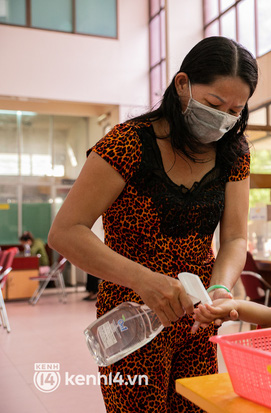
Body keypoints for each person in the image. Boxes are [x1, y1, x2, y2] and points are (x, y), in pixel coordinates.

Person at [48, 36, 258, 412]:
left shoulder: (232, 154)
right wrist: (146, 280)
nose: (223, 119)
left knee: (198, 406)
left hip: (197, 321)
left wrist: (221, 285)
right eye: (213, 104)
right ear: (182, 85)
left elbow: (235, 237)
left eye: (234, 110)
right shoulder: (128, 143)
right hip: (131, 319)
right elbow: (66, 231)